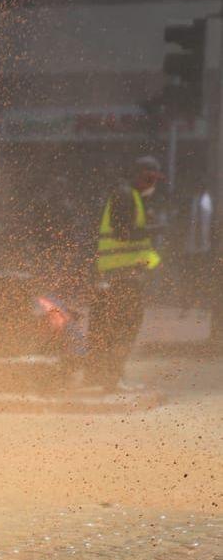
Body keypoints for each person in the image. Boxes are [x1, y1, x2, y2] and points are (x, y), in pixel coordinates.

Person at [87, 156, 162, 390]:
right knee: (121, 327)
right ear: (137, 175)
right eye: (148, 178)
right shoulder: (125, 195)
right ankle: (109, 378)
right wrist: (153, 229)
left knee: (116, 327)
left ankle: (109, 376)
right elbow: (122, 233)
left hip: (123, 275)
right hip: (120, 276)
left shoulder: (133, 197)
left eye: (155, 179)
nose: (152, 184)